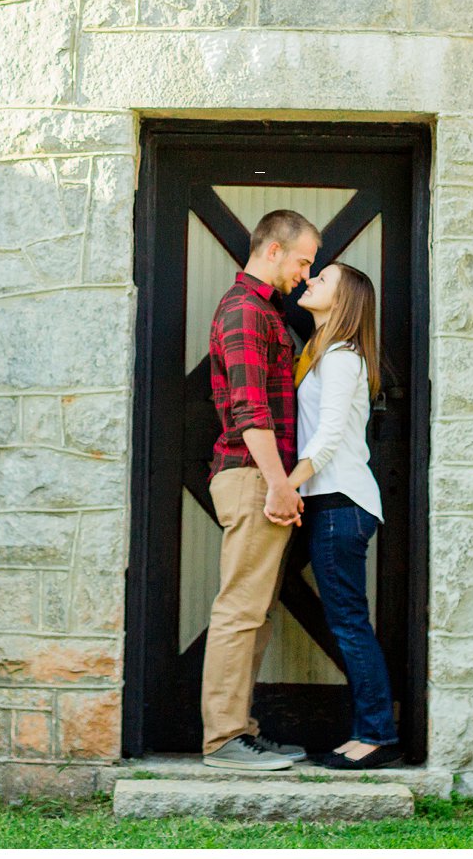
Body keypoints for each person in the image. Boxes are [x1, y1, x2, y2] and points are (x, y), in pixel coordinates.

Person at [200, 208, 322, 771]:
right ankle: (223, 739)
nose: (305, 273)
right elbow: (251, 410)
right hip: (252, 476)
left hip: (259, 477)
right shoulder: (245, 310)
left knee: (256, 613)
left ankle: (240, 731)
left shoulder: (262, 311)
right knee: (240, 611)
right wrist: (277, 483)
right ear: (272, 249)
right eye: (302, 260)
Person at [283, 262, 401, 770]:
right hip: (330, 503)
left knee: (350, 624)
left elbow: (328, 437)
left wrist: (283, 487)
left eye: (322, 279)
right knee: (347, 621)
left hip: (339, 503)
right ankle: (369, 730)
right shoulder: (321, 353)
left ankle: (376, 736)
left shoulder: (342, 357)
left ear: (345, 300)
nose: (310, 282)